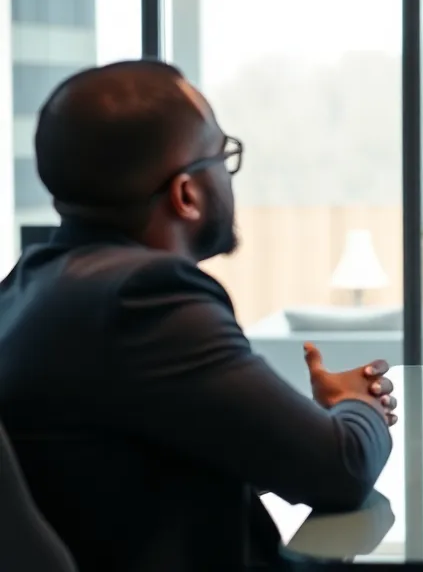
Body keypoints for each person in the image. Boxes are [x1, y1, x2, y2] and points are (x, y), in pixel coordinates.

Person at [0, 60, 398, 572]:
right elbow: (340, 468)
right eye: (222, 156)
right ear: (186, 194)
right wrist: (357, 403)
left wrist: (314, 416)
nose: (230, 175)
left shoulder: (25, 287)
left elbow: (159, 443)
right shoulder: (145, 298)